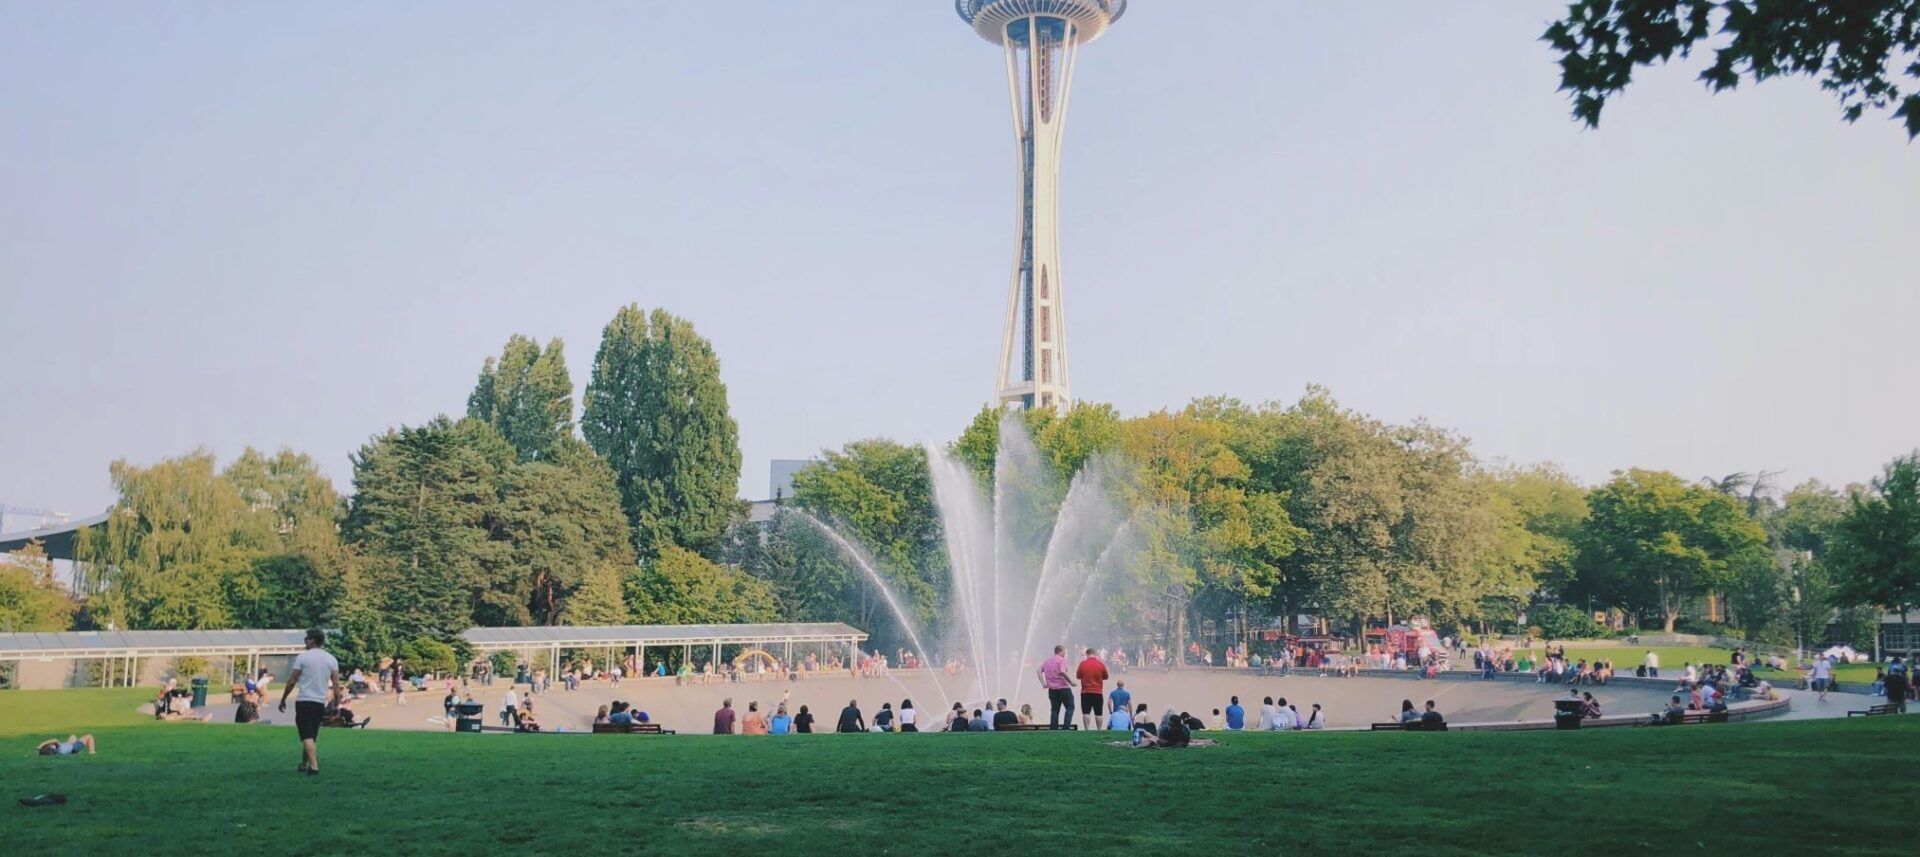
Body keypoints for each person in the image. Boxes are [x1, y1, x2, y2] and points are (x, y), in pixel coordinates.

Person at [278, 628, 340, 776]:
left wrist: (283, 698)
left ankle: (314, 766)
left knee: (306, 735)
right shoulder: (331, 659)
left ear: (312, 640)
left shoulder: (302, 657)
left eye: (306, 639)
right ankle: (303, 764)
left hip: (304, 700)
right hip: (320, 702)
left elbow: (292, 681)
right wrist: (337, 703)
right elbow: (336, 685)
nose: (305, 641)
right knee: (311, 734)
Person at [1037, 644, 1075, 729]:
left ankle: (1054, 728)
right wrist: (1071, 682)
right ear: (1060, 651)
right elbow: (1062, 672)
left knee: (1055, 710)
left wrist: (1043, 683)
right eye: (1065, 651)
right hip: (1063, 688)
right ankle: (1066, 727)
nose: (1065, 653)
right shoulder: (1062, 660)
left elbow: (1038, 671)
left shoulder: (1047, 661)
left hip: (1052, 690)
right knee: (1070, 707)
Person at [1074, 647, 1109, 730]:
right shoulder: (1101, 664)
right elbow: (1106, 676)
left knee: (1086, 712)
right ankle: (1099, 729)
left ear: (1087, 654)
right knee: (1099, 712)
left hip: (1086, 691)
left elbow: (1078, 676)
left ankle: (1087, 729)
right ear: (1095, 654)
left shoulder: (1082, 664)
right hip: (1098, 691)